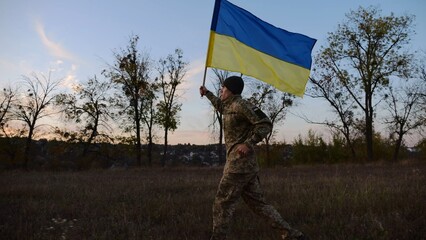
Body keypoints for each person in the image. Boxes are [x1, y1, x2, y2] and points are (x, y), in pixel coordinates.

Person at [200, 76, 306, 240]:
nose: (221, 90)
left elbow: (265, 123)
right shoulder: (229, 105)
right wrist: (207, 93)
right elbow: (220, 106)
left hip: (238, 167)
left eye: (223, 88)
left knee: (222, 204)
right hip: (246, 168)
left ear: (230, 90)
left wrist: (248, 144)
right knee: (259, 205)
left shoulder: (242, 105)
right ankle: (292, 234)